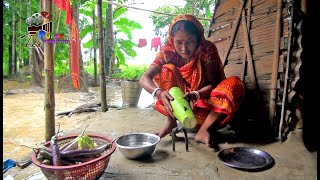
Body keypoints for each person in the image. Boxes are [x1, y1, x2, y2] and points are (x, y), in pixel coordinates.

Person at [139, 14, 245, 147]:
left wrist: (196, 94)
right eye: (179, 42)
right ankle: (170, 122)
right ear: (172, 39)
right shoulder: (167, 52)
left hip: (208, 109)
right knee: (167, 69)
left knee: (234, 83)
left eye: (189, 42)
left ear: (198, 38)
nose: (184, 48)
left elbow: (215, 84)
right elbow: (144, 78)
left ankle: (204, 130)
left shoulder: (207, 50)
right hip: (182, 110)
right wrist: (159, 93)